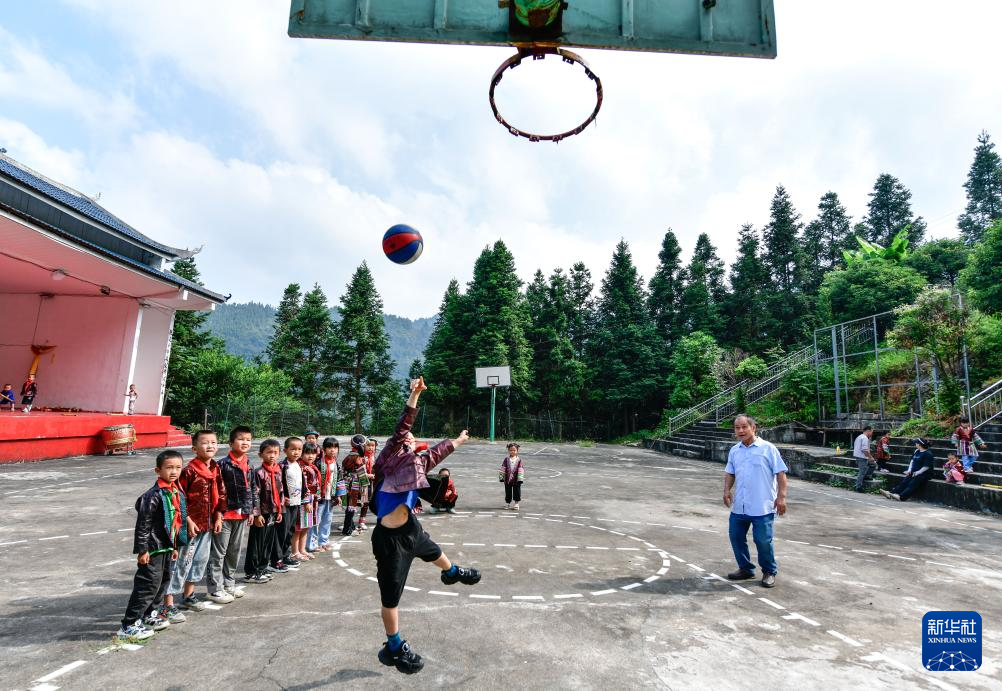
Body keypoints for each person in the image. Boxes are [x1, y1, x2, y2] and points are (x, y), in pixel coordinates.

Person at [371, 377, 480, 674]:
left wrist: (459, 440)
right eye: (405, 439)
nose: (410, 440)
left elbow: (436, 453)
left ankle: (452, 573)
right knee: (391, 597)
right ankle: (393, 646)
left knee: (433, 550)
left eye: (411, 440)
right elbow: (403, 425)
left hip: (410, 528)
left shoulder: (416, 463)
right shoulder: (387, 461)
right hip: (390, 540)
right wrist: (415, 394)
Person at [117, 450, 190, 640]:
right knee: (147, 585)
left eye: (178, 468)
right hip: (153, 548)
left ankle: (150, 615)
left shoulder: (174, 492)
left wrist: (175, 546)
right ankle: (129, 625)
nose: (174, 471)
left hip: (166, 547)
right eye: (169, 468)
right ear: (158, 470)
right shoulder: (153, 495)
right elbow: (143, 525)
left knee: (162, 582)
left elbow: (175, 522)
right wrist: (143, 550)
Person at [723, 415, 788, 589]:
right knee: (736, 537)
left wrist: (781, 497)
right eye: (737, 428)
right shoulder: (734, 450)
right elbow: (730, 472)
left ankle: (769, 571)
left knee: (762, 541)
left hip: (762, 506)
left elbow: (781, 474)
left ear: (753, 428)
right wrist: (726, 490)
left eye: (744, 427)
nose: (740, 431)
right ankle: (745, 568)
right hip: (740, 506)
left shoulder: (768, 448)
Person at [166, 430, 226, 615]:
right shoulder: (188, 471)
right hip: (190, 527)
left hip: (207, 525)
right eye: (205, 442)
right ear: (194, 448)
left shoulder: (215, 468)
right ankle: (168, 603)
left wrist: (218, 515)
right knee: (181, 562)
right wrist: (188, 520)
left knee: (199, 561)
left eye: (213, 442)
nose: (210, 446)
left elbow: (221, 494)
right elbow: (179, 498)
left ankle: (188, 595)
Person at [207, 426, 256, 603]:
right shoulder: (222, 465)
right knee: (219, 553)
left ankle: (229, 584)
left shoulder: (249, 464)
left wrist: (252, 510)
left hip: (242, 515)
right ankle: (215, 589)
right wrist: (218, 514)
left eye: (248, 440)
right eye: (241, 439)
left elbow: (252, 489)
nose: (245, 442)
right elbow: (216, 492)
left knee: (234, 552)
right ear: (230, 443)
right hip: (225, 515)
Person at [246, 439, 285, 582]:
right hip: (262, 513)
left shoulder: (278, 471)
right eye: (269, 452)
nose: (272, 455)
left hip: (273, 512)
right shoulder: (258, 473)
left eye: (275, 452)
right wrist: (257, 514)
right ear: (260, 454)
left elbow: (281, 492)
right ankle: (251, 571)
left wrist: (280, 510)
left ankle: (262, 567)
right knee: (257, 543)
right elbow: (255, 494)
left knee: (268, 542)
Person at [270, 437, 303, 573]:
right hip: (285, 506)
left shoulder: (298, 465)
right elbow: (278, 485)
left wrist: (304, 495)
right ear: (285, 450)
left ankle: (285, 556)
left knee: (290, 531)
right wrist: (283, 498)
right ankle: (275, 560)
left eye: (299, 449)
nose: (296, 452)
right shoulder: (282, 466)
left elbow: (302, 483)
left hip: (296, 503)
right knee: (281, 532)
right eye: (293, 449)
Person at [310, 437, 339, 552]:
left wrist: (338, 496)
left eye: (335, 447)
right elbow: (313, 481)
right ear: (324, 449)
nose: (333, 450)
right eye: (330, 447)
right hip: (319, 498)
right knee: (315, 520)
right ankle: (312, 544)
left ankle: (323, 541)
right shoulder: (318, 463)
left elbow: (339, 480)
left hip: (330, 497)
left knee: (327, 520)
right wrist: (315, 496)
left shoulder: (335, 463)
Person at [342, 434, 370, 536]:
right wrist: (365, 486)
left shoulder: (349, 456)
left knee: (349, 506)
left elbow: (344, 471)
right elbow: (361, 473)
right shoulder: (358, 457)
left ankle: (350, 526)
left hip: (347, 483)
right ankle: (347, 529)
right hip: (354, 485)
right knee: (351, 507)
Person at [297, 441, 320, 559]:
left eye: (313, 453)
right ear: (302, 454)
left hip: (312, 500)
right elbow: (303, 486)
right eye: (307, 453)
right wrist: (306, 502)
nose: (310, 456)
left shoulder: (312, 467)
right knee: (299, 527)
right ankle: (296, 551)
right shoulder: (302, 468)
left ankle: (302, 549)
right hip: (304, 501)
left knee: (306, 526)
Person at [499, 442, 524, 510]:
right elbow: (503, 468)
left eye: (514, 450)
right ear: (508, 450)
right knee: (508, 492)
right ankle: (508, 503)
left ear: (517, 451)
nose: (512, 451)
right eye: (511, 450)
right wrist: (501, 477)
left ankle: (516, 503)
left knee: (517, 491)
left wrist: (520, 479)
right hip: (507, 479)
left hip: (516, 479)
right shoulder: (506, 459)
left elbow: (521, 469)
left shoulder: (519, 460)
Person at [852, 426, 875, 492]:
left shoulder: (859, 437)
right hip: (862, 457)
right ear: (868, 431)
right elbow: (864, 450)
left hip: (859, 456)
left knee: (873, 465)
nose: (872, 433)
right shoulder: (864, 438)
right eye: (872, 432)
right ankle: (858, 487)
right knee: (862, 472)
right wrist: (870, 457)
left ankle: (866, 476)